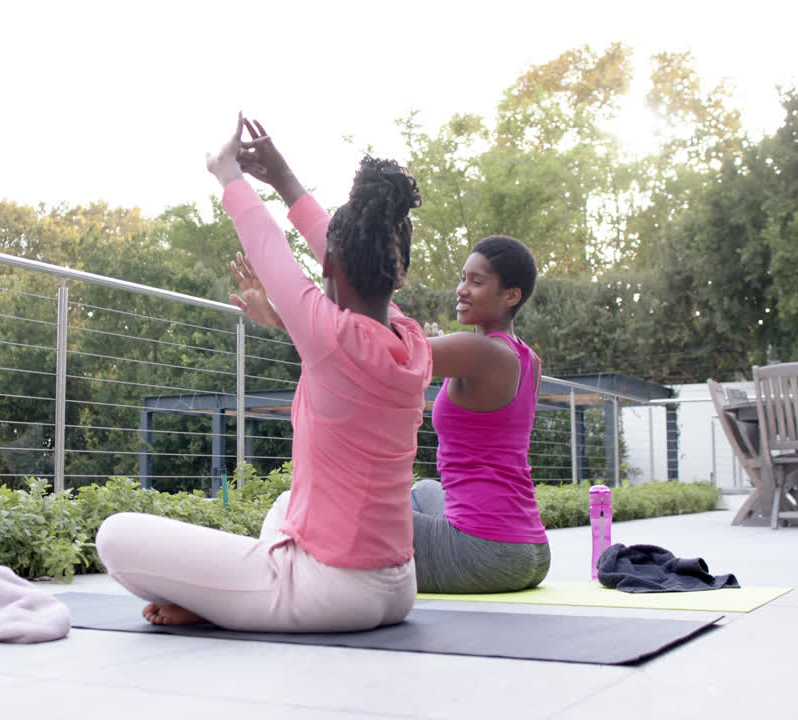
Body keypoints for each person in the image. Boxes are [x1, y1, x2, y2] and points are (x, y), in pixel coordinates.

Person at [95, 114, 432, 632]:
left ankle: (222, 600)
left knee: (114, 537)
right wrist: (284, 179)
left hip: (331, 592)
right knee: (284, 503)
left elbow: (267, 246)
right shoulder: (410, 343)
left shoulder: (329, 334)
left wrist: (227, 172)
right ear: (396, 271)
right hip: (396, 584)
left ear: (329, 267)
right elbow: (337, 254)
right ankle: (226, 597)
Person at [231, 120, 549, 595]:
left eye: (477, 282)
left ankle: (264, 585)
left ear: (512, 296)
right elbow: (368, 337)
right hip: (529, 547)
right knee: (422, 492)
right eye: (463, 277)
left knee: (311, 508)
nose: (462, 289)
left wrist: (282, 317)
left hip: (486, 553)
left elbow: (369, 353)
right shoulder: (526, 358)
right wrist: (285, 181)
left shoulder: (480, 350)